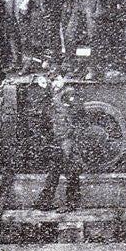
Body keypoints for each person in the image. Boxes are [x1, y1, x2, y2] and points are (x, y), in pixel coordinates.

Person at [34, 80, 82, 212]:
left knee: (70, 169)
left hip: (66, 138)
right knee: (55, 169)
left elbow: (79, 113)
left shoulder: (69, 93)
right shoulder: (52, 94)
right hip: (57, 137)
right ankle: (44, 201)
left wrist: (71, 131)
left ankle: (71, 203)